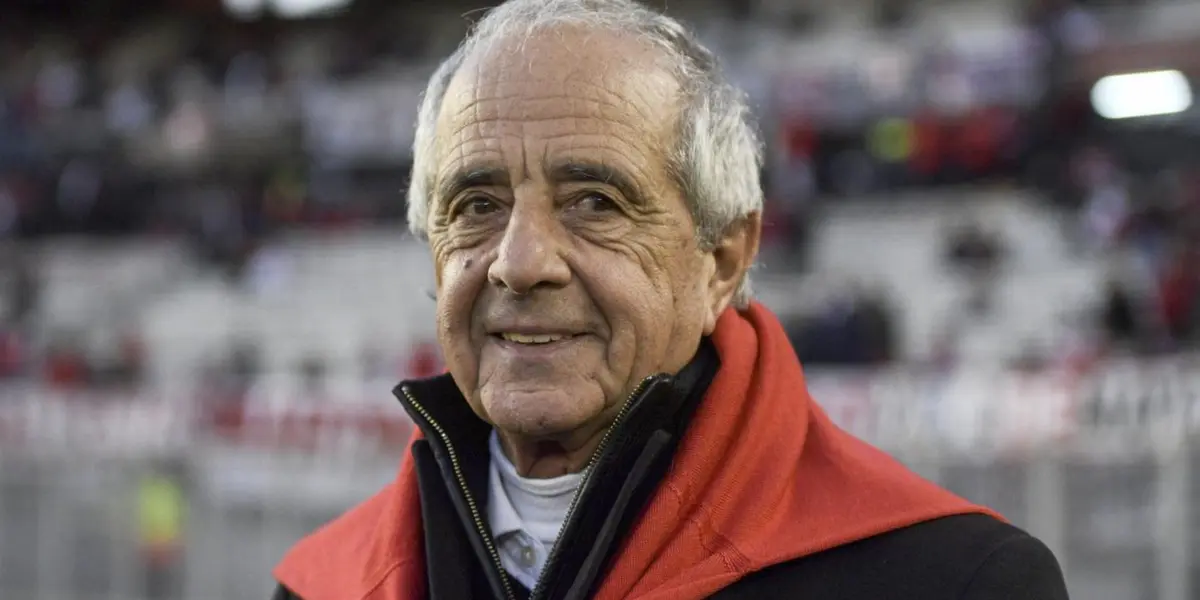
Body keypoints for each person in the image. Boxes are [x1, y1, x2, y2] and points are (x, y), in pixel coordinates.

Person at [273, 1, 1069, 599]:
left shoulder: (952, 582)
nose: (519, 264)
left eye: (594, 201)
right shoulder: (323, 585)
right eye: (476, 206)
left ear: (722, 258)